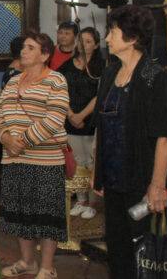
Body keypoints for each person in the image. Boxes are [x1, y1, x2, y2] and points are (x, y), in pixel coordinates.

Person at [91, 5, 167, 279]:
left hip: (141, 180)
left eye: (112, 32)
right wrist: (97, 175)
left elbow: (164, 136)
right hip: (113, 180)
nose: (106, 39)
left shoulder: (154, 75)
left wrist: (157, 186)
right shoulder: (108, 74)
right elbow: (101, 129)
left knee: (141, 251)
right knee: (116, 249)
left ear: (132, 37)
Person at [0, 31, 69, 279]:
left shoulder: (56, 81)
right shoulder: (14, 81)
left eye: (30, 48)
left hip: (45, 162)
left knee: (46, 216)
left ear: (45, 55)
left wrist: (21, 142)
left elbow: (54, 119)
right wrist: (5, 138)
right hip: (14, 160)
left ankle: (47, 267)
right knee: (20, 214)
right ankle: (27, 262)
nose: (23, 51)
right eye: (23, 47)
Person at [58, 27, 104, 219]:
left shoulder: (100, 67)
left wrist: (82, 115)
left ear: (96, 45)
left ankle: (93, 201)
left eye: (88, 41)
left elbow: (100, 95)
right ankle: (81, 199)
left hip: (91, 120)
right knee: (76, 162)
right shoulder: (67, 66)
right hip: (71, 120)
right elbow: (59, 91)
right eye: (81, 41)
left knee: (92, 161)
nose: (83, 45)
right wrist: (71, 115)